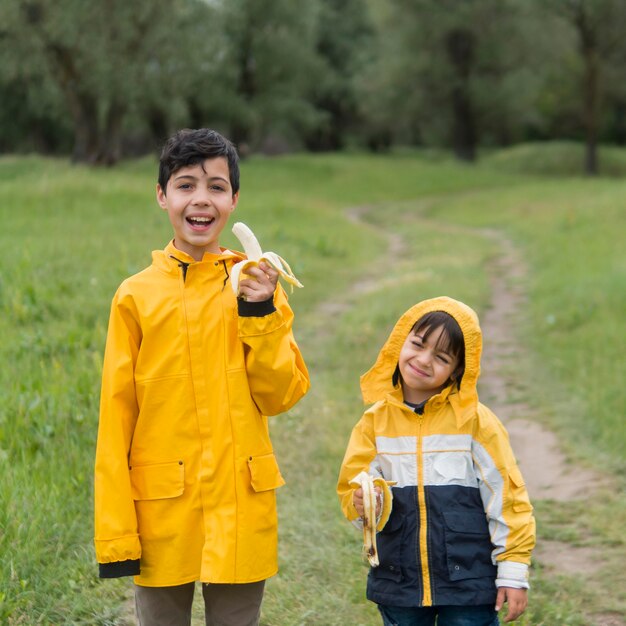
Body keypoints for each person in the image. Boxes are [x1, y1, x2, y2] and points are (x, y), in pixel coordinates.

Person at [94, 128, 310, 626]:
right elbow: (115, 419)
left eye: (216, 186)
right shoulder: (135, 297)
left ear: (234, 200)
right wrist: (117, 533)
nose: (200, 199)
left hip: (240, 507)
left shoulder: (257, 283)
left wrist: (258, 312)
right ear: (162, 196)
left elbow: (281, 395)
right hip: (162, 513)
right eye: (185, 184)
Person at [337, 296, 535, 626]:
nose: (424, 360)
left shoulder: (475, 423)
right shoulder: (373, 424)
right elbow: (354, 494)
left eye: (441, 357)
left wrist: (513, 571)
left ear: (459, 369)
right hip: (399, 581)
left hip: (470, 583)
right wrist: (364, 503)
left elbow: (508, 499)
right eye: (417, 344)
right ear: (399, 342)